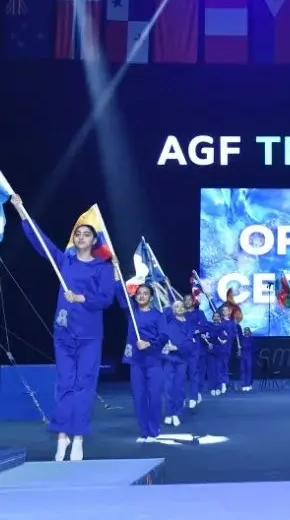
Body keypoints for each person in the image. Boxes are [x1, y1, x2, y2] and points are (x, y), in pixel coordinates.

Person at [11, 195, 117, 461]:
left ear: (94, 241)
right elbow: (41, 242)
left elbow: (106, 299)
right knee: (65, 385)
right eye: (78, 233)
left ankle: (78, 437)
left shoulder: (103, 269)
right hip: (64, 334)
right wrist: (21, 211)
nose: (81, 237)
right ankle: (62, 437)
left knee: (84, 385)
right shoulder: (65, 261)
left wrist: (81, 298)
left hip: (90, 336)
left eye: (86, 234)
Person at [117, 284, 165, 443]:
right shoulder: (131, 311)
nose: (141, 296)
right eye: (139, 293)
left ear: (151, 297)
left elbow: (164, 336)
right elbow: (121, 295)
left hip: (153, 360)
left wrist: (149, 344)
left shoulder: (158, 316)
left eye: (145, 293)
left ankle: (154, 430)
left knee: (154, 396)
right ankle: (144, 432)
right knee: (139, 397)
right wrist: (117, 278)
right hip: (136, 361)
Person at [162, 299, 196, 427]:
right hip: (169, 360)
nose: (180, 308)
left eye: (181, 306)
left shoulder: (189, 325)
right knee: (168, 388)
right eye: (176, 306)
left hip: (182, 359)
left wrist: (176, 348)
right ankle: (169, 413)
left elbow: (189, 343)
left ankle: (176, 413)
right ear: (173, 310)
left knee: (179, 387)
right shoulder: (168, 323)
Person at [239, 327, 255, 392]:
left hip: (249, 356)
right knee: (243, 370)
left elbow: (255, 348)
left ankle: (249, 384)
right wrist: (240, 349)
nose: (246, 332)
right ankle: (243, 384)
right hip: (243, 356)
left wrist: (250, 352)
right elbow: (239, 347)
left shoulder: (252, 339)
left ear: (249, 332)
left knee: (248, 370)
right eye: (245, 330)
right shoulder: (241, 339)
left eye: (247, 330)